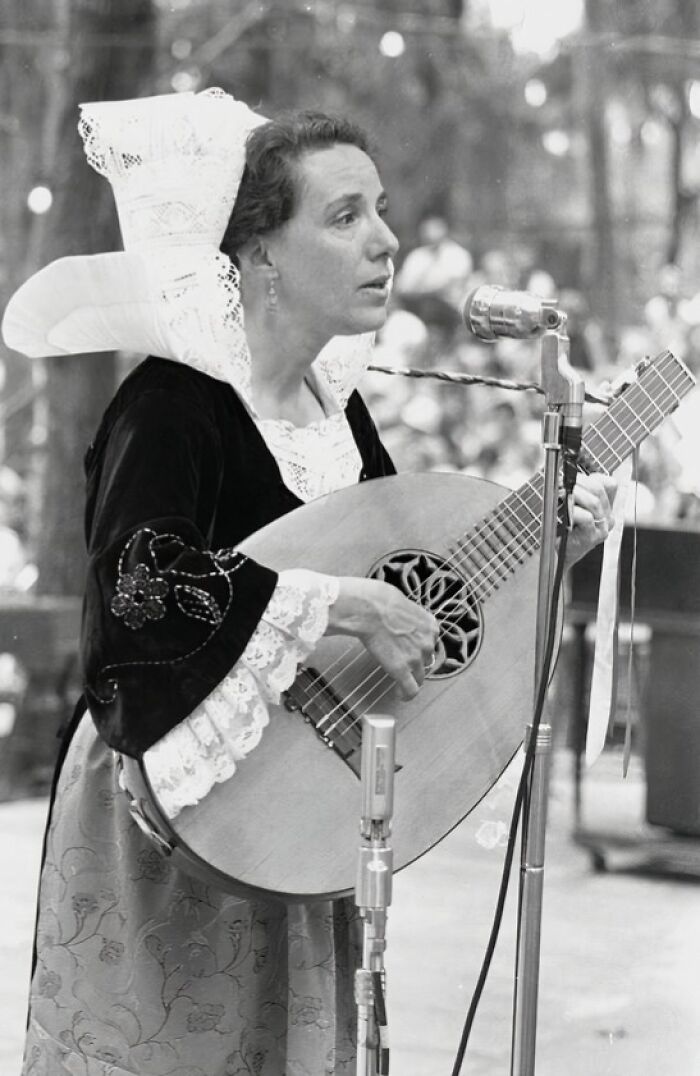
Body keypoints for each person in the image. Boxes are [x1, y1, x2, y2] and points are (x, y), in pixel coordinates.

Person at [2, 88, 616, 1076]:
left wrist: (548, 549)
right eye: (344, 215)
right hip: (185, 802)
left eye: (379, 208)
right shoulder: (170, 404)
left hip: (303, 804)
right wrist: (338, 600)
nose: (384, 239)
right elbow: (138, 585)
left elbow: (401, 583)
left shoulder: (336, 406)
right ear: (259, 257)